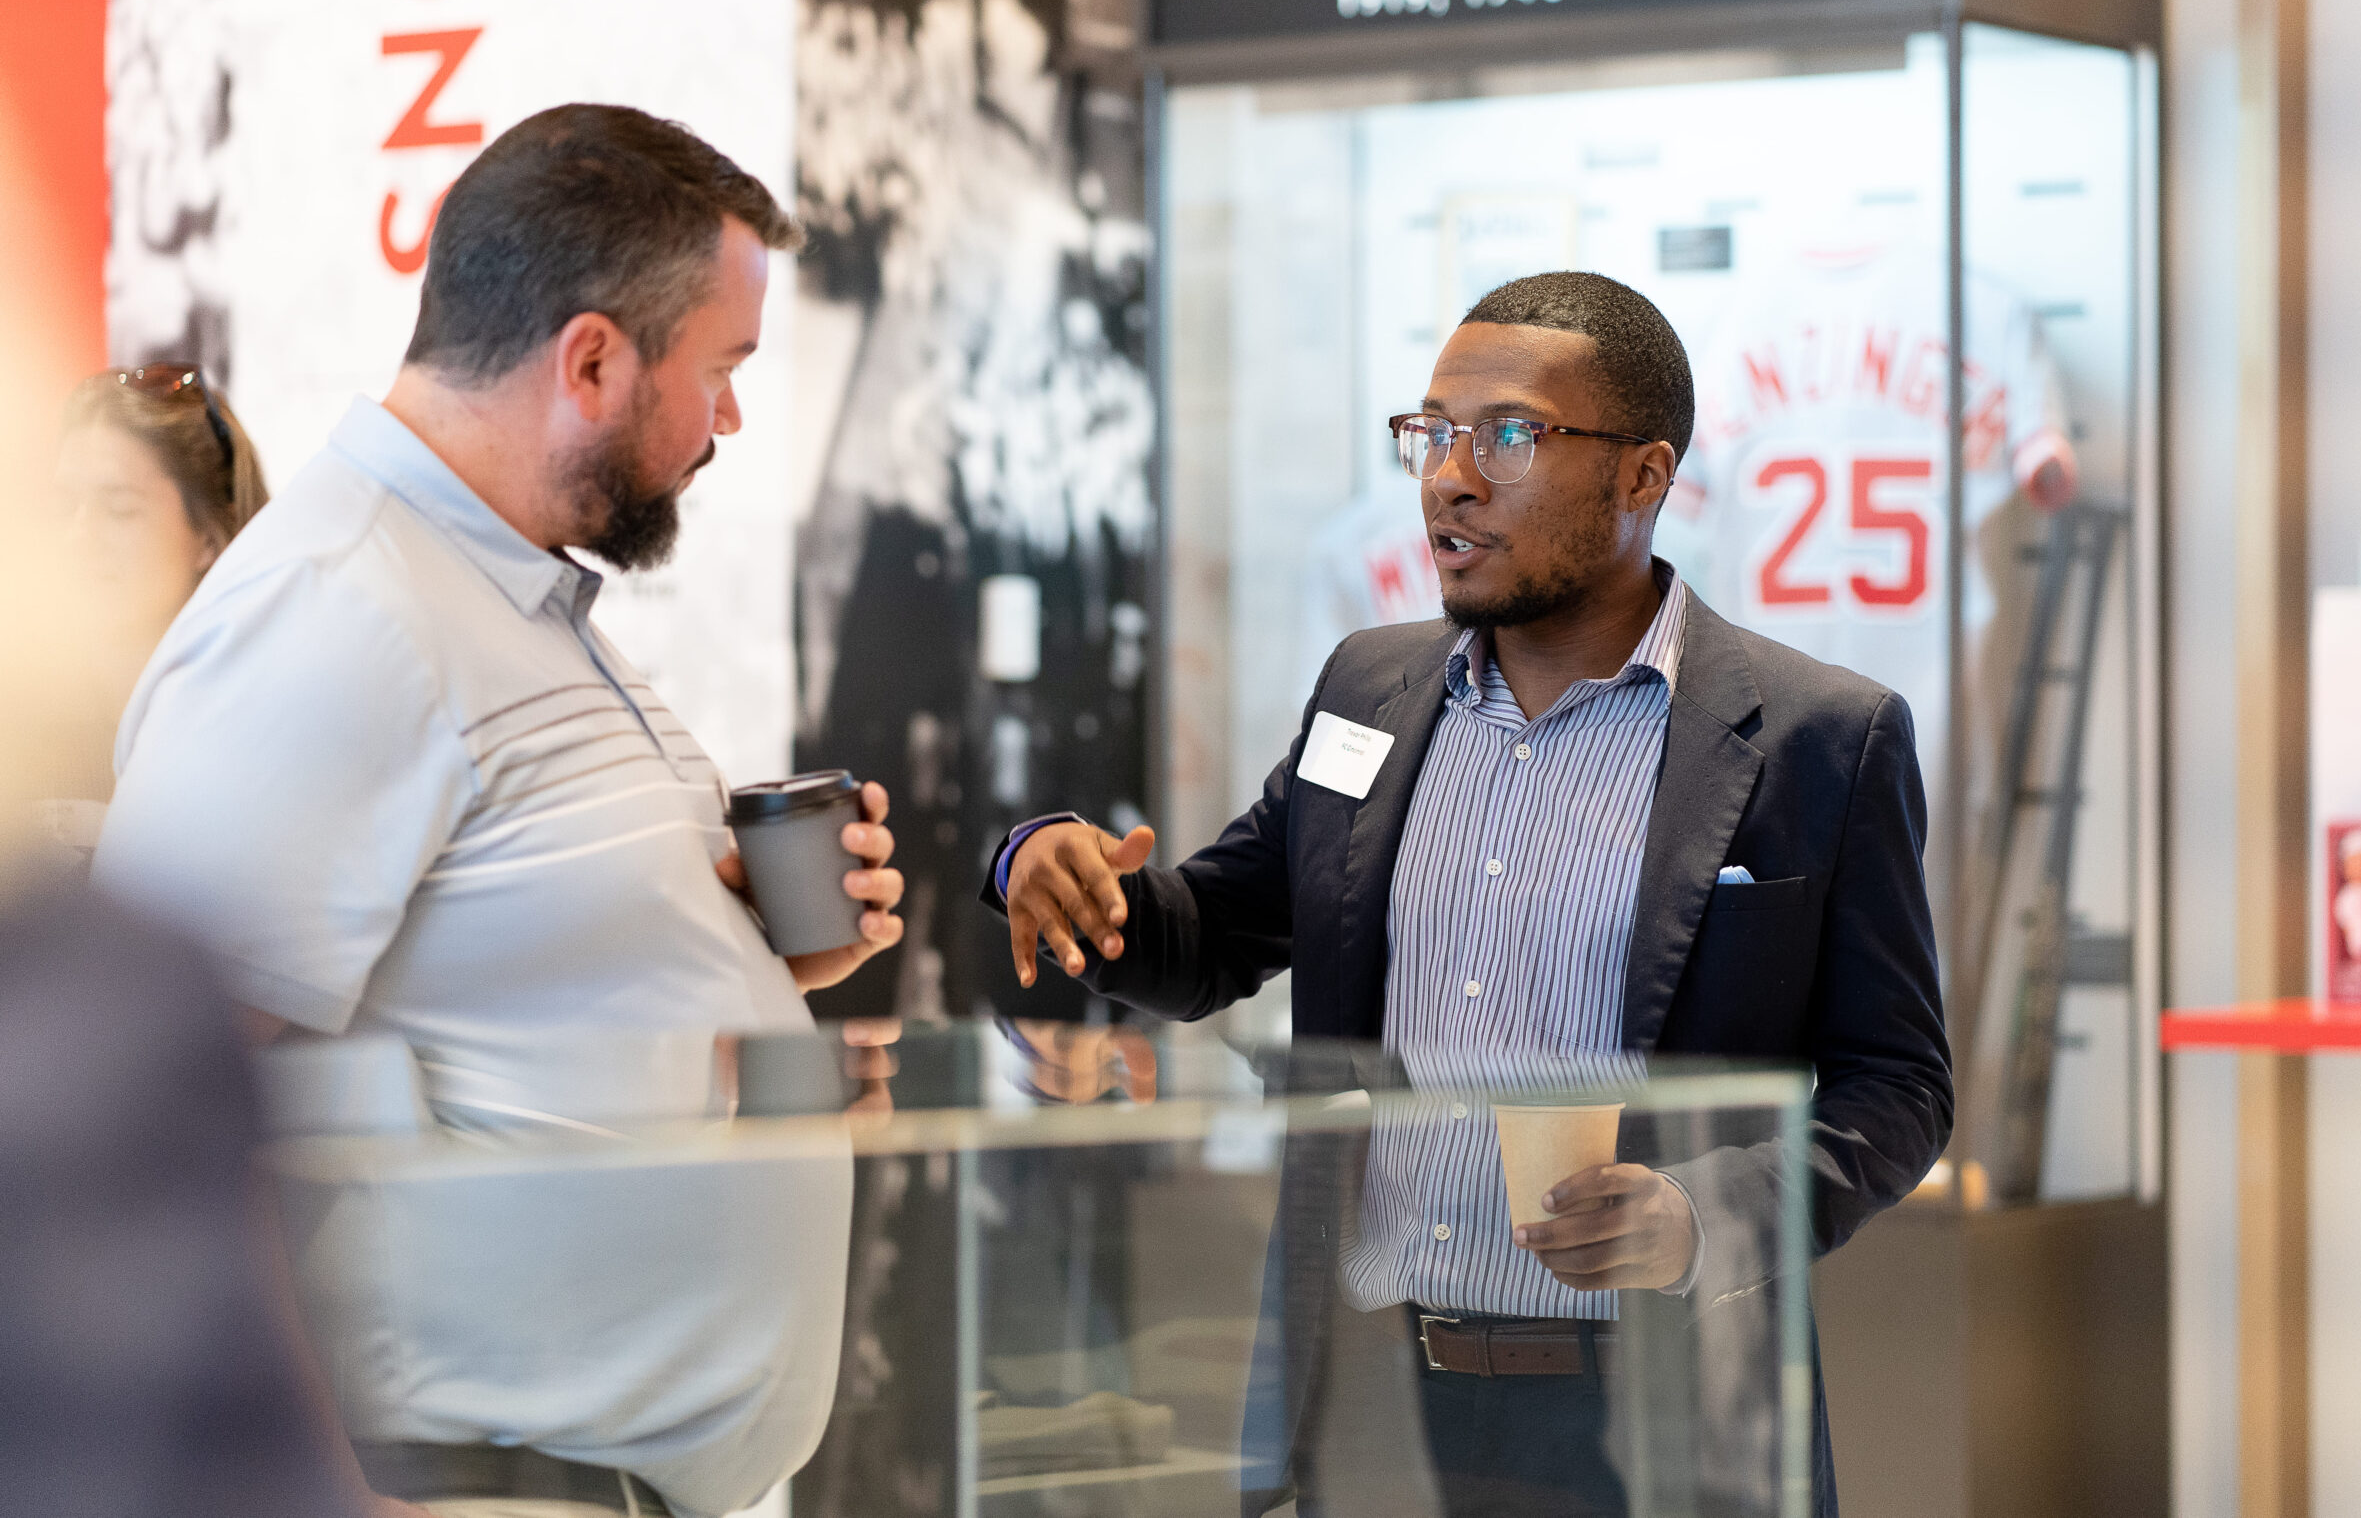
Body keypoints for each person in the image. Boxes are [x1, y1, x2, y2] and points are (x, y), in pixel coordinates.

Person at [992, 272, 1951, 1517]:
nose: (1448, 478)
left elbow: (1898, 1087)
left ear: (1643, 475)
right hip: (1373, 1407)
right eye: (1430, 433)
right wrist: (1047, 866)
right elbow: (1212, 935)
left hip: (1658, 1418)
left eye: (1507, 436)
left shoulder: (1821, 739)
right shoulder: (1368, 691)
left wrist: (1703, 1214)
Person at [93, 103, 906, 1514]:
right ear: (591, 359)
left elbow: (501, 971)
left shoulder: (495, 592)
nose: (728, 418)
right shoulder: (337, 609)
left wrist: (762, 974)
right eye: (721, 369)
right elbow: (129, 1115)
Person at [37, 363, 268, 855]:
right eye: (64, 505)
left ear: (209, 538)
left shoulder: (257, 734)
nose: (78, 536)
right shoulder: (19, 718)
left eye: (119, 509)